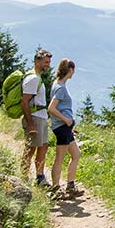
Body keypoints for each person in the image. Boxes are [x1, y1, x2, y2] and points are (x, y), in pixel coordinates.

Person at [47, 58, 84, 198]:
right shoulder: (61, 88)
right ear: (70, 70)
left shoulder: (57, 84)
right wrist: (66, 120)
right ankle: (56, 189)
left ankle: (70, 186)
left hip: (65, 127)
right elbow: (51, 108)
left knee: (76, 154)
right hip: (62, 126)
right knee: (60, 158)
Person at [20, 49, 52, 185]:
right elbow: (24, 102)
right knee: (31, 148)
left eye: (49, 62)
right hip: (35, 117)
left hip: (41, 117)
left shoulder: (37, 77)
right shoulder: (33, 79)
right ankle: (23, 176)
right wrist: (30, 123)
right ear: (37, 61)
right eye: (45, 62)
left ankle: (40, 176)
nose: (48, 65)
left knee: (43, 146)